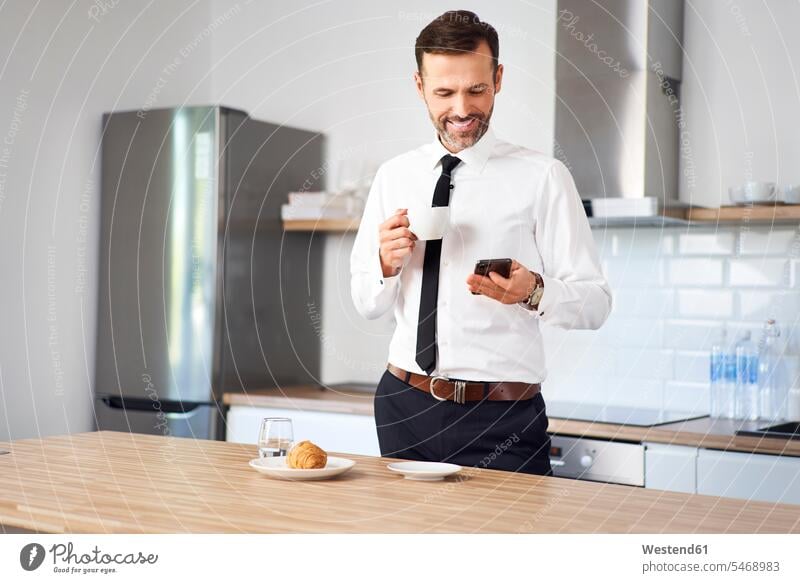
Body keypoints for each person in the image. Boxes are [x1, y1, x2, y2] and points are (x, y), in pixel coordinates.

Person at [350, 10, 612, 476]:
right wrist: (384, 266)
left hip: (502, 418)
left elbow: (596, 303)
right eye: (444, 92)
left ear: (498, 78)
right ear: (419, 86)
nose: (462, 110)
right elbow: (368, 303)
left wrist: (533, 291)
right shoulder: (395, 176)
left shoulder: (543, 177)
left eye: (477, 89)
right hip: (403, 406)